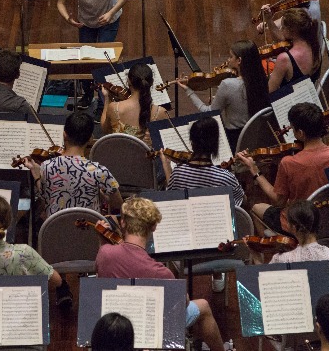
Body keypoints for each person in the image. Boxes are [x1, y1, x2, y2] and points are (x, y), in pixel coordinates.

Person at [95, 197, 234, 351]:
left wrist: (103, 242)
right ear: (153, 227)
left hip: (113, 324)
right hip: (148, 328)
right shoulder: (161, 272)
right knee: (203, 306)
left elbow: (102, 277)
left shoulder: (105, 253)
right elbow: (183, 303)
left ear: (122, 223)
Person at [237, 102, 329, 235]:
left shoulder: (289, 163)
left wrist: (255, 170)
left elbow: (279, 201)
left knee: (256, 208)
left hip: (301, 226)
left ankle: (271, 254)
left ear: (301, 133)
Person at [57, 0, 133, 110]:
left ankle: (103, 101)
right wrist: (68, 18)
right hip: (86, 21)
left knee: (103, 61)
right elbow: (60, 2)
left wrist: (111, 12)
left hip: (110, 19)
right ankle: (88, 94)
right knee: (85, 60)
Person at [23, 112, 122, 218]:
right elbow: (117, 204)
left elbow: (45, 196)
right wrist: (100, 194)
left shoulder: (46, 166)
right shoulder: (100, 171)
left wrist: (36, 174)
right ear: (90, 139)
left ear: (64, 134)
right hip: (89, 232)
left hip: (54, 231)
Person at [179, 40, 270, 151]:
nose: (228, 60)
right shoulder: (262, 80)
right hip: (257, 139)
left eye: (231, 56)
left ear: (239, 61)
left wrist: (188, 91)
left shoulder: (227, 84)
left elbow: (208, 112)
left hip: (234, 142)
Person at [162, 116, 245, 207]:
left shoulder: (178, 172)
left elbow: (171, 198)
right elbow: (242, 202)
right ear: (215, 144)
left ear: (192, 142)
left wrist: (166, 165)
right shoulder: (226, 178)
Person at [268, 201, 329, 277]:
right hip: (325, 302)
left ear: (292, 227)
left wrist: (256, 257)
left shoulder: (280, 259)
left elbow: (262, 283)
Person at [100, 63, 167, 146]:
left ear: (129, 81)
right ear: (151, 82)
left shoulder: (114, 108)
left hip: (118, 157)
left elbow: (105, 130)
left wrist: (107, 99)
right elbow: (165, 143)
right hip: (146, 158)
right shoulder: (161, 112)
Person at [267, 8, 321, 93]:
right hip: (308, 97)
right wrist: (269, 20)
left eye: (283, 27)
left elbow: (269, 91)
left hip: (290, 103)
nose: (281, 30)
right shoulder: (314, 46)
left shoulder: (284, 59)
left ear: (290, 31)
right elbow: (281, 39)